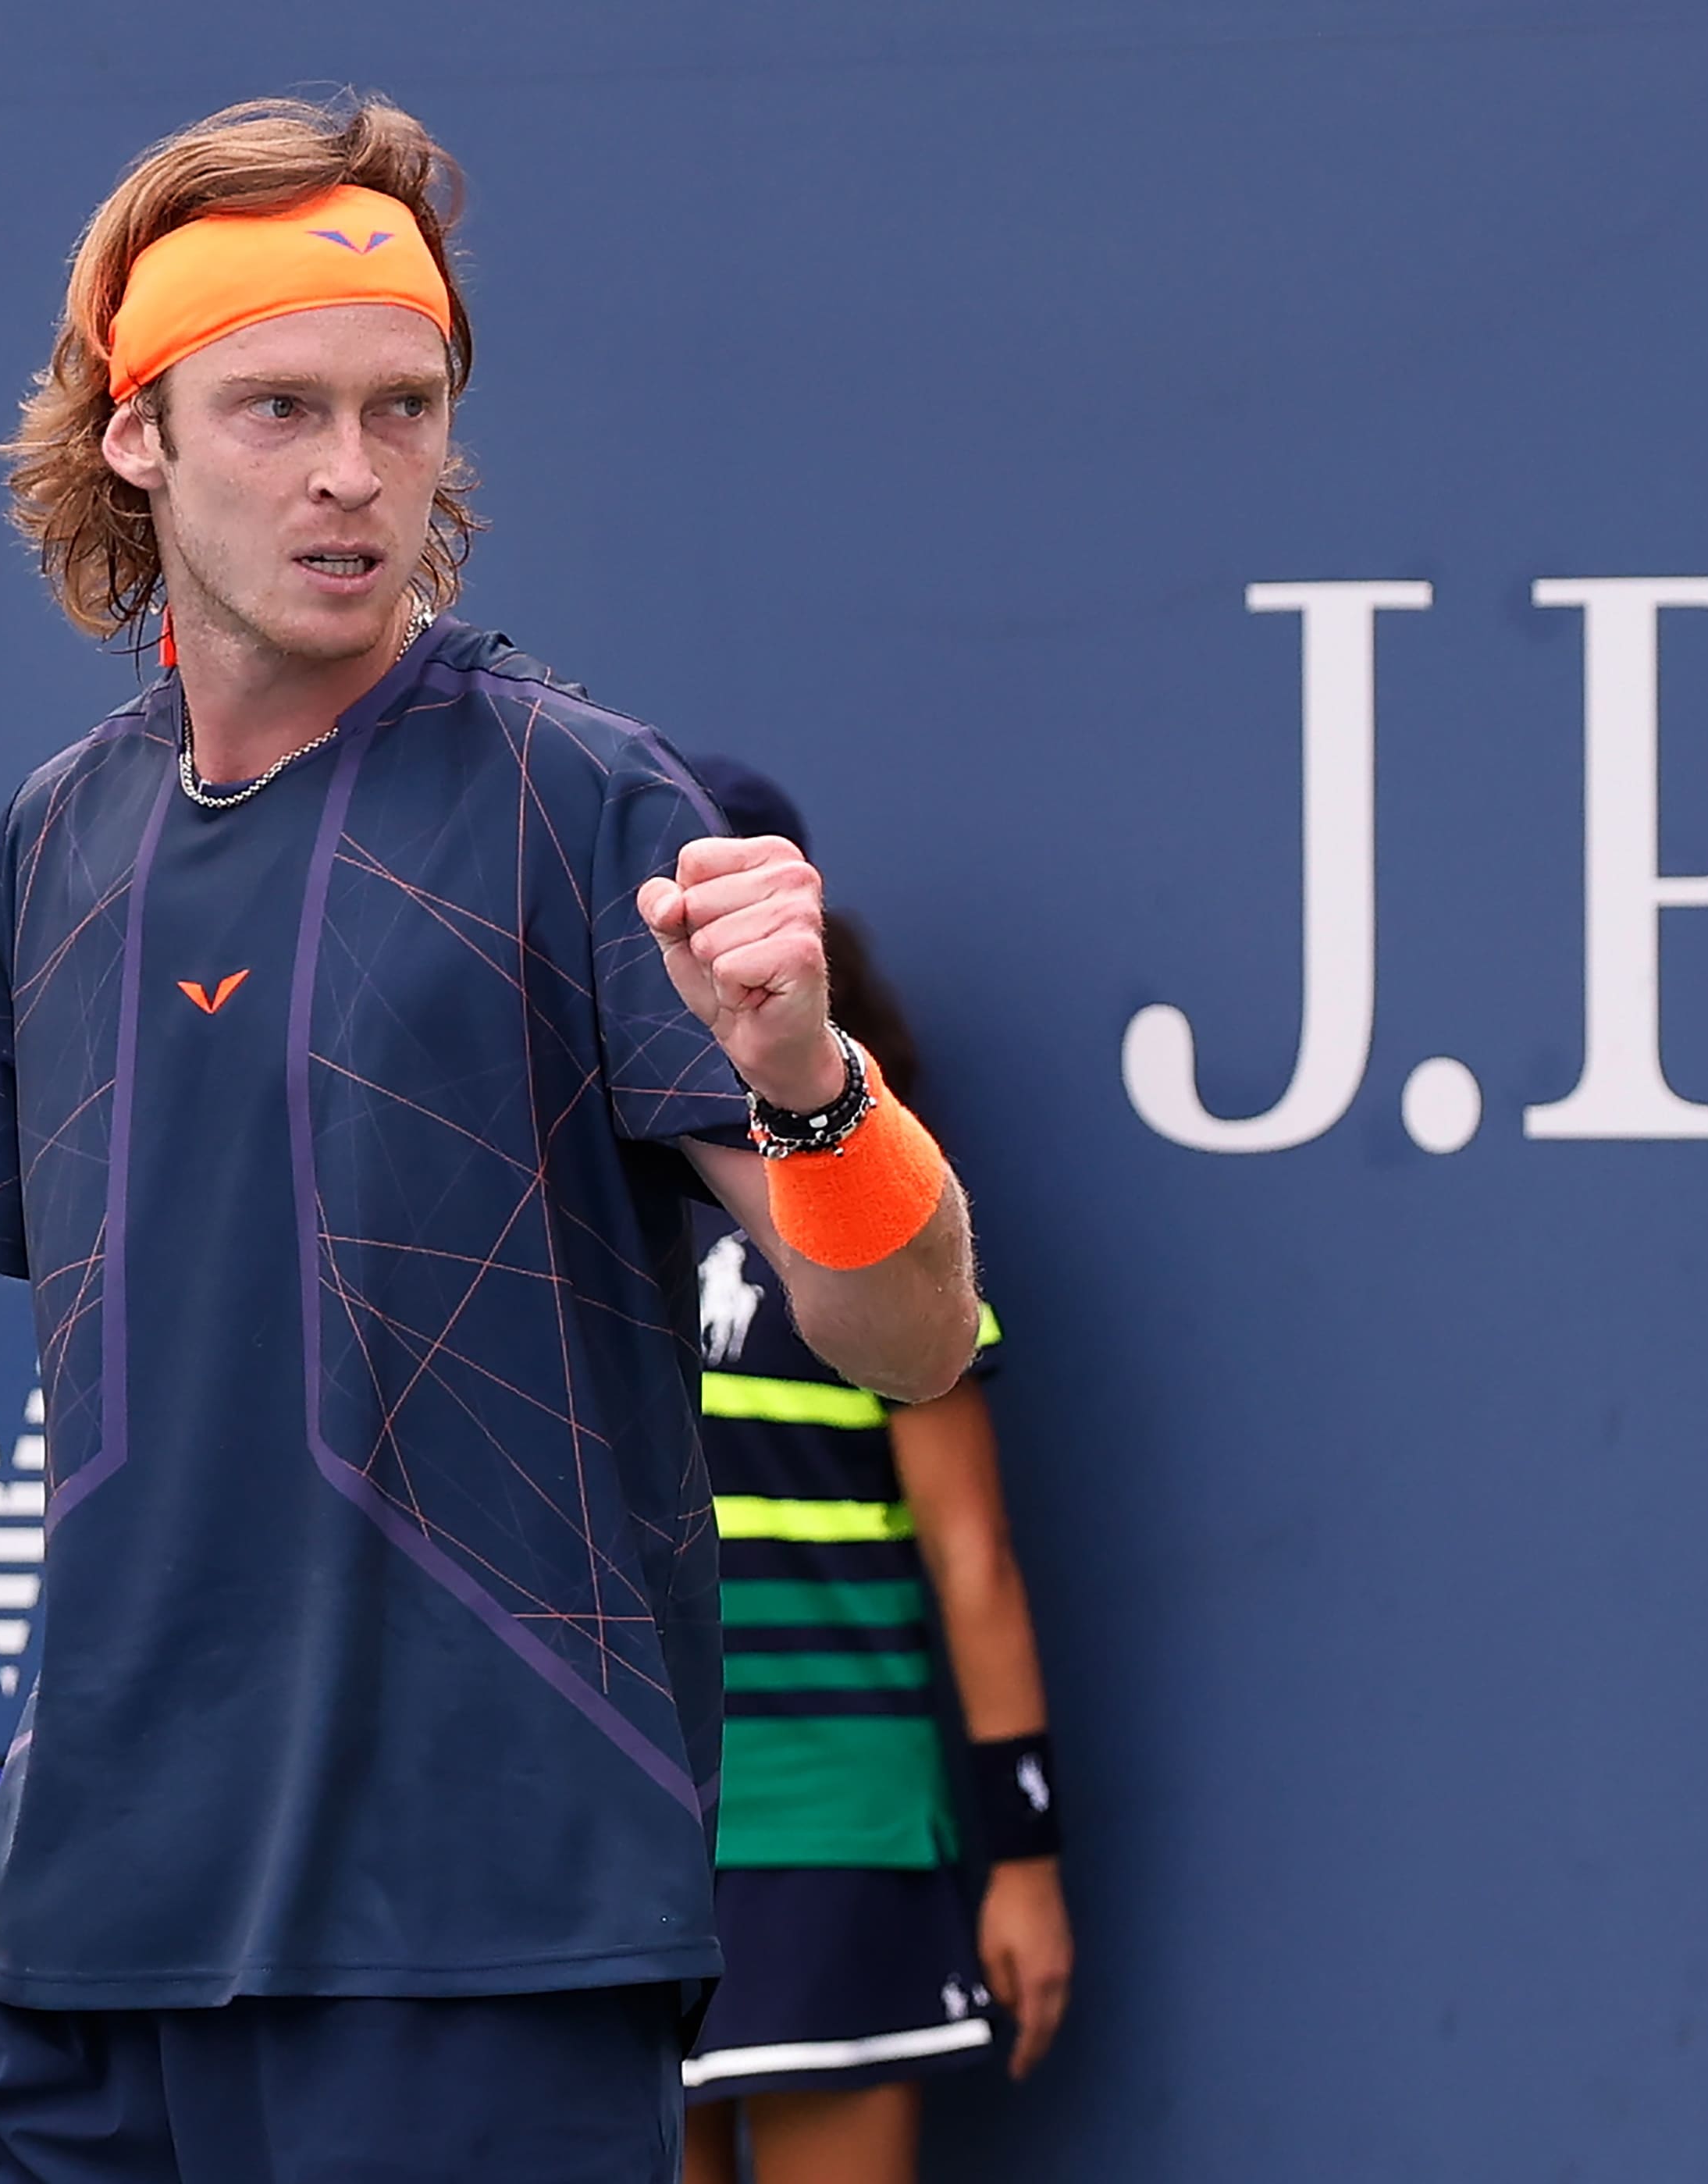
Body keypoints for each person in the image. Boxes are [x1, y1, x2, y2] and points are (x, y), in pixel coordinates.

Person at [0, 94, 982, 2184]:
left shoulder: (589, 802)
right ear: (135, 434)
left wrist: (815, 1079)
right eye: (278, 407)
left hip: (477, 1932)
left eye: (405, 408)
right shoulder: (54, 838)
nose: (354, 473)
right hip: (81, 1926)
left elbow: (904, 1339)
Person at [672, 756, 1073, 2184]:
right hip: (604, 1829)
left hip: (836, 1823)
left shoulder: (879, 1208)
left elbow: (973, 1554)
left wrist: (1022, 1853)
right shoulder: (538, 1190)